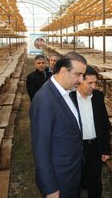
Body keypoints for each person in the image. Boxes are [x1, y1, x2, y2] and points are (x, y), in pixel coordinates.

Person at [30, 52, 87, 198]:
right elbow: (41, 149)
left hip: (71, 172)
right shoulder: (44, 100)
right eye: (78, 74)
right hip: (59, 179)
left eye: (83, 75)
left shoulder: (67, 92)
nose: (81, 80)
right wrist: (50, 188)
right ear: (63, 71)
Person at [70, 66, 110, 198]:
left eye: (95, 83)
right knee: (75, 179)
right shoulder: (70, 98)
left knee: (95, 182)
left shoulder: (98, 97)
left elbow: (104, 124)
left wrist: (105, 149)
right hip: (76, 147)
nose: (93, 86)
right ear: (80, 81)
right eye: (90, 83)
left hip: (94, 146)